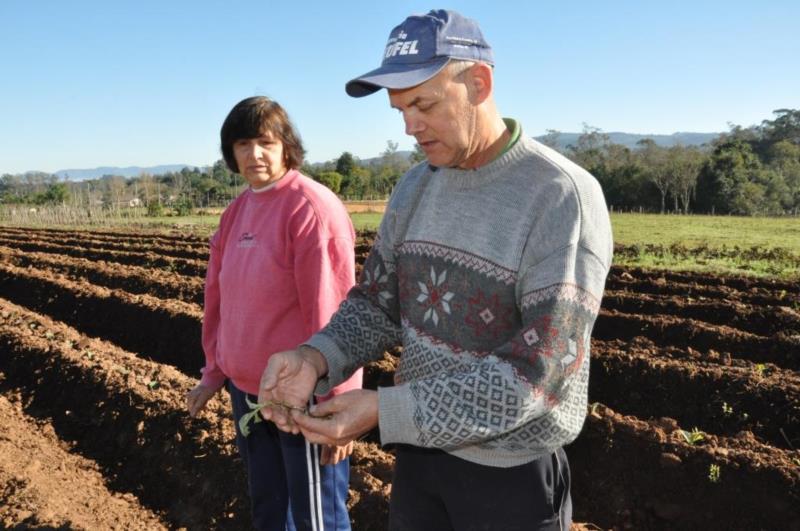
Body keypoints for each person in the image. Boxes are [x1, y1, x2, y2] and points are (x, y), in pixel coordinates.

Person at [259, 9, 613, 531]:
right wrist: (316, 357)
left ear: (478, 83)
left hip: (509, 475)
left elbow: (538, 373)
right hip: (421, 464)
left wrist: (387, 410)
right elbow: (377, 304)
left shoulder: (559, 195)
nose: (408, 126)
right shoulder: (415, 186)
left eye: (423, 104)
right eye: (399, 109)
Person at [186, 96, 361, 531]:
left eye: (265, 142)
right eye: (242, 144)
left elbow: (334, 307)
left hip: (301, 399)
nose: (254, 154)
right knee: (268, 510)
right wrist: (214, 373)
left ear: (286, 146)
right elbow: (218, 299)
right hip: (246, 393)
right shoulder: (235, 213)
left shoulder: (309, 208)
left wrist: (339, 404)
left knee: (316, 520)